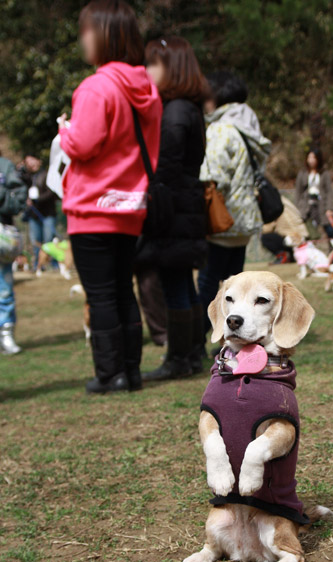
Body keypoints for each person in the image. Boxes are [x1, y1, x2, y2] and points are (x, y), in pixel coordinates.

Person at [58, 0, 162, 394]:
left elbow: (82, 144)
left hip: (91, 208)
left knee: (100, 293)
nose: (81, 38)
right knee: (123, 289)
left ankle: (109, 373)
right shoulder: (145, 87)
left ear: (102, 34)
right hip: (129, 205)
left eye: (85, 30)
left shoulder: (96, 87)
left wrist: (65, 131)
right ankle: (131, 371)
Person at [142, 36, 209, 381]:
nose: (146, 70)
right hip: (186, 204)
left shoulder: (175, 111)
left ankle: (179, 359)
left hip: (174, 207)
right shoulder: (190, 108)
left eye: (153, 63)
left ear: (172, 67)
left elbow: (164, 165)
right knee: (183, 280)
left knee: (174, 281)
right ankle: (192, 354)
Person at [197, 71, 271, 340]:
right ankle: (235, 342)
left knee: (207, 285)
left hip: (222, 221)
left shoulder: (221, 128)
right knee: (238, 288)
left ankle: (195, 341)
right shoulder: (249, 126)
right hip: (244, 222)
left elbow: (214, 177)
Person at [0, 154, 28, 354]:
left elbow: (19, 197)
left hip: (3, 235)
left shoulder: (5, 166)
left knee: (4, 286)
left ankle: (6, 333)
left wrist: (2, 195)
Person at [19, 155, 59, 270]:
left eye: (32, 160)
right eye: (27, 162)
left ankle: (55, 265)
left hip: (48, 213)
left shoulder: (47, 174)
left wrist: (37, 199)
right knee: (36, 241)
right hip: (33, 214)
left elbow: (52, 192)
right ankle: (38, 265)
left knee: (49, 241)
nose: (30, 164)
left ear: (39, 161)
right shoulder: (26, 177)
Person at [295, 149, 333, 239]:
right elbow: (298, 192)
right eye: (309, 157)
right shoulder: (302, 173)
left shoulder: (324, 174)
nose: (311, 160)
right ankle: (307, 251)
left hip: (321, 205)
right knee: (306, 230)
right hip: (306, 205)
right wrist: (298, 207)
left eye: (314, 157)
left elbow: (329, 191)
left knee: (330, 230)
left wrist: (329, 208)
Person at [261, 196, 309, 263]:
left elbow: (268, 228)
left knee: (265, 238)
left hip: (293, 237)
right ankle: (292, 256)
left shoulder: (275, 207)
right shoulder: (283, 202)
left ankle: (282, 256)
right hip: (302, 233)